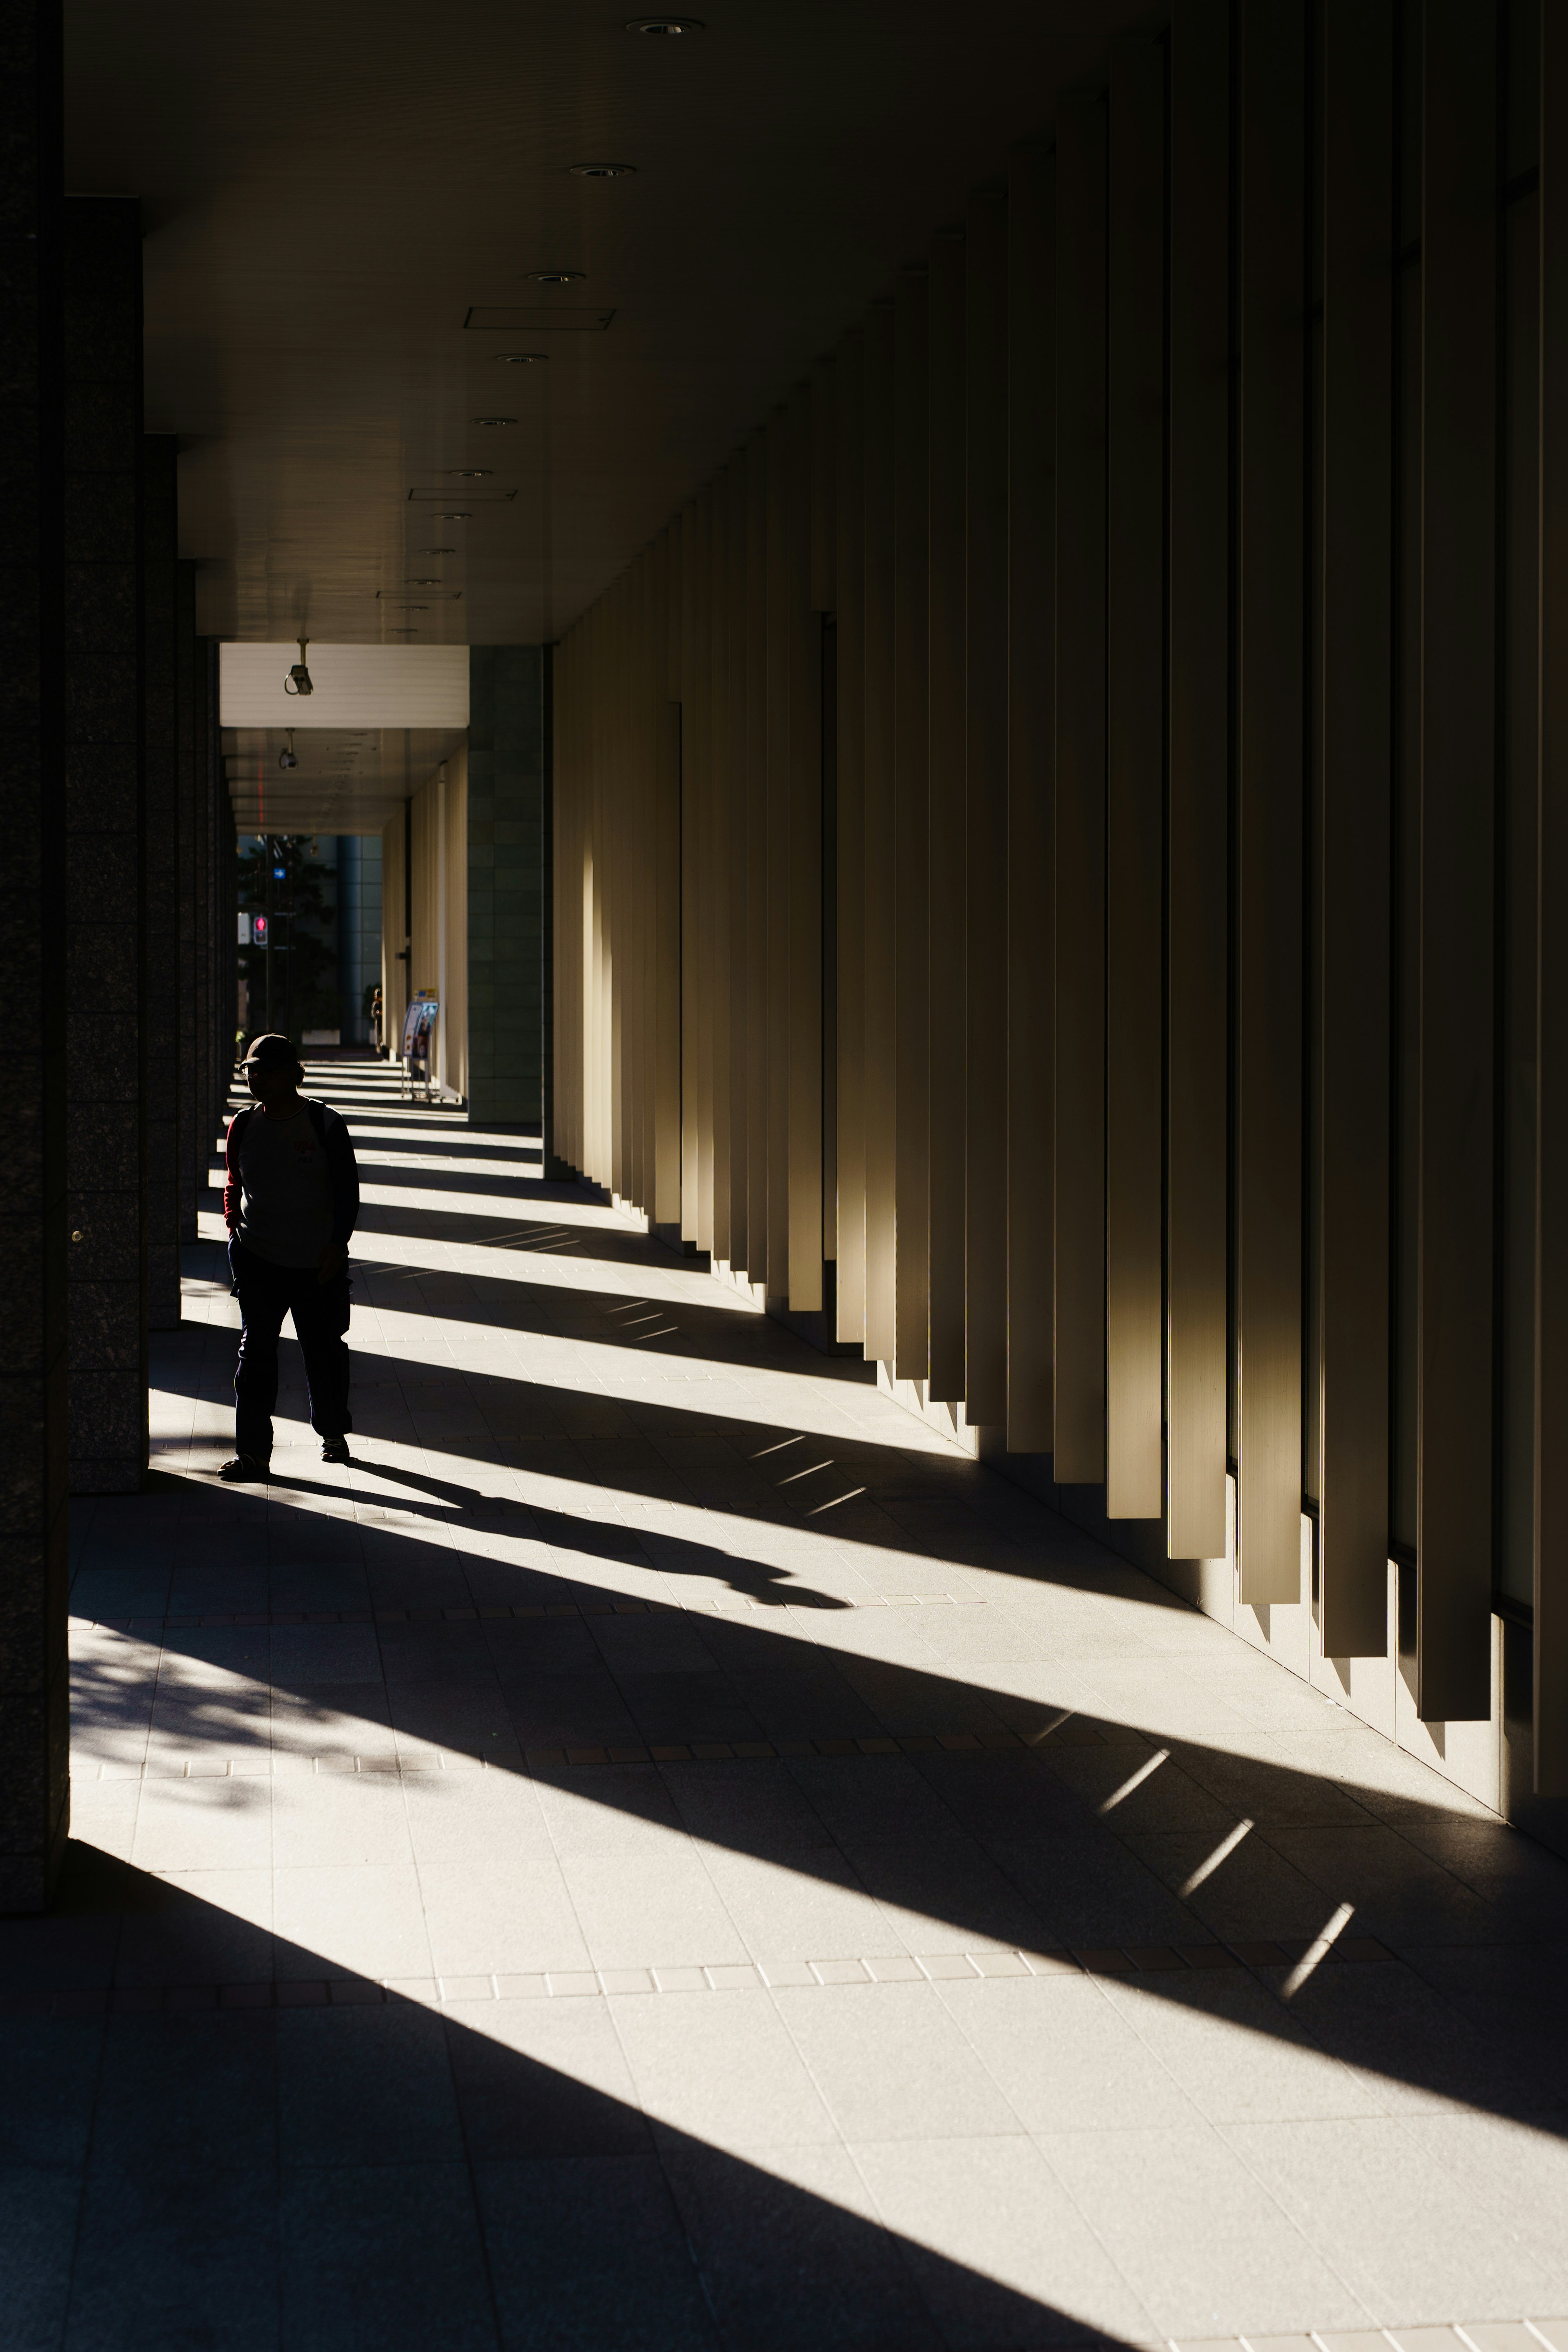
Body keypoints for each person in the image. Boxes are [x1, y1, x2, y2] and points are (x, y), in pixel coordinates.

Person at [217, 1033, 361, 1481]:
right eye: (250, 1071)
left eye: (265, 1071)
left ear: (293, 1074)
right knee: (255, 1356)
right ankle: (253, 1455)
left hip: (317, 1264)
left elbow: (347, 1192)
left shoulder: (323, 1123)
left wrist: (337, 1245)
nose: (255, 1078)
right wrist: (232, 1226)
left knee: (324, 1353)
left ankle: (333, 1431)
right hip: (258, 1259)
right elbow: (233, 1182)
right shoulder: (243, 1124)